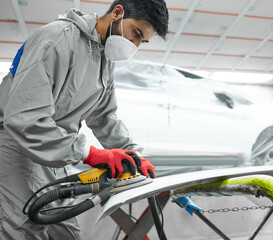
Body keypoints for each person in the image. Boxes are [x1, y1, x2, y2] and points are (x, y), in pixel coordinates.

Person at [0, 0, 169, 239]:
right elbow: (24, 118)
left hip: (53, 151)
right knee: (23, 228)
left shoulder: (103, 58)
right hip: (14, 144)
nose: (135, 45)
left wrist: (133, 155)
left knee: (66, 232)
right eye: (136, 33)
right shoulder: (57, 39)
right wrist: (91, 154)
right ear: (118, 12)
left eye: (143, 41)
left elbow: (104, 117)